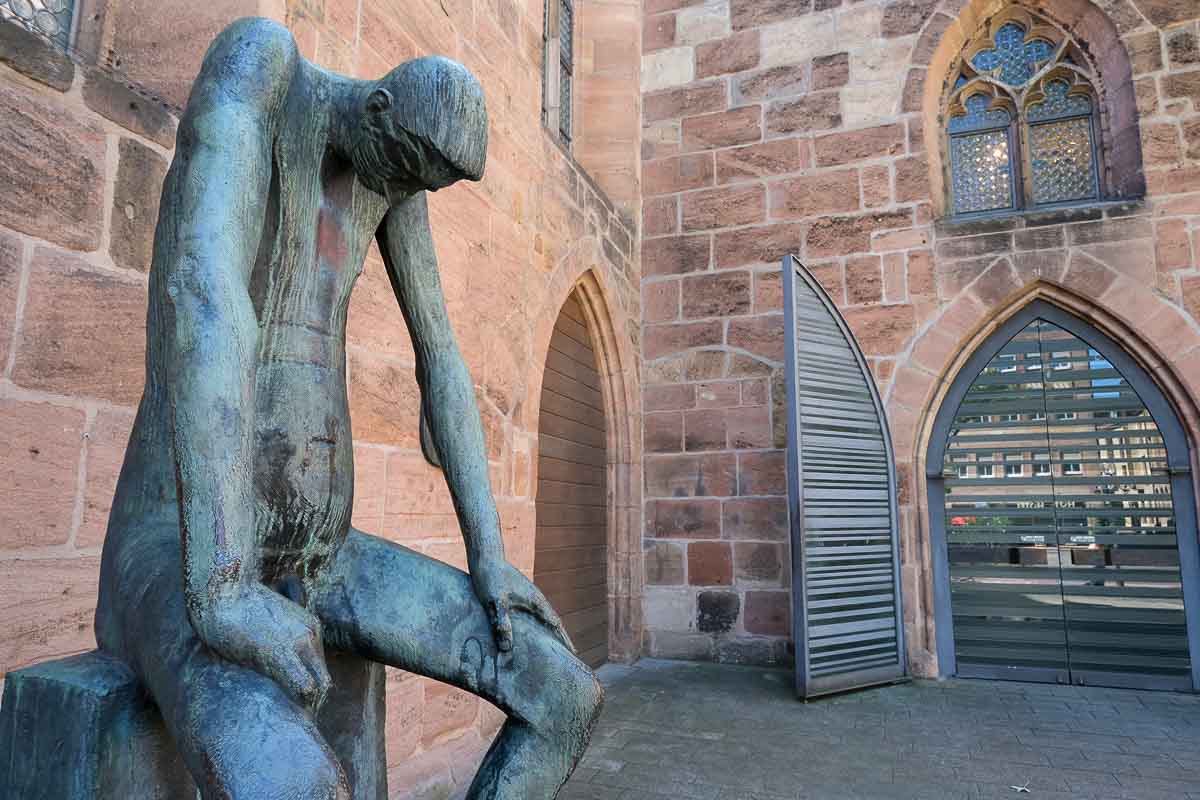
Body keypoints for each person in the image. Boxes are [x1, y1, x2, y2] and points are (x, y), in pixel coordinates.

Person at [94, 16, 601, 799]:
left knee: (563, 694)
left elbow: (442, 361)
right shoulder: (262, 70)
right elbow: (204, 293)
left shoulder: (391, 176)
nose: (402, 195)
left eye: (419, 185)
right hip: (179, 550)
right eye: (404, 171)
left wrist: (489, 553)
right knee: (293, 781)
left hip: (324, 560)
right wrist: (223, 587)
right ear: (378, 111)